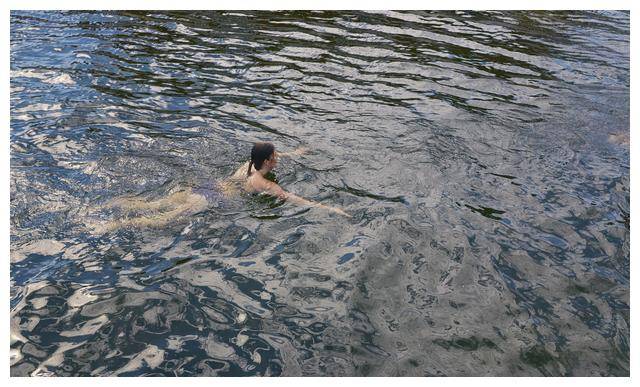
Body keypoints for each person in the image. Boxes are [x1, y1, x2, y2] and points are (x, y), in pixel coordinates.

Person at [90, 141, 349, 232]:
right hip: (209, 200)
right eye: (277, 156)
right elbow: (294, 198)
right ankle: (115, 225)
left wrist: (298, 152)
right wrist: (329, 209)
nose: (279, 157)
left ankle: (117, 204)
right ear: (269, 161)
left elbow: (278, 155)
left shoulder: (249, 164)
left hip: (207, 187)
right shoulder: (263, 184)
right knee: (164, 219)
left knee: (157, 204)